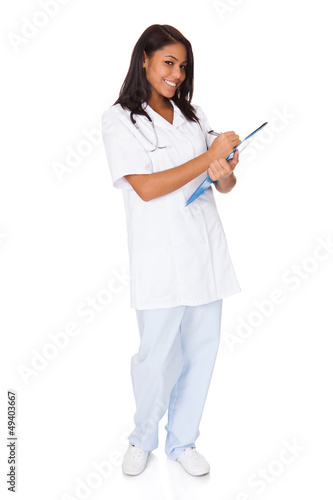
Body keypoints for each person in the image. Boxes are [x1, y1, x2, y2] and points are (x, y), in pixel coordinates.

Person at [102, 24, 241, 476]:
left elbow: (224, 185)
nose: (177, 74)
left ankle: (183, 442)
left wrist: (224, 166)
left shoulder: (195, 117)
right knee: (155, 358)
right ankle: (142, 437)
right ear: (144, 58)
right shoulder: (121, 120)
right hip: (159, 258)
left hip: (204, 254)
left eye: (183, 66)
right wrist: (207, 156)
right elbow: (146, 188)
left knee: (201, 353)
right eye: (169, 63)